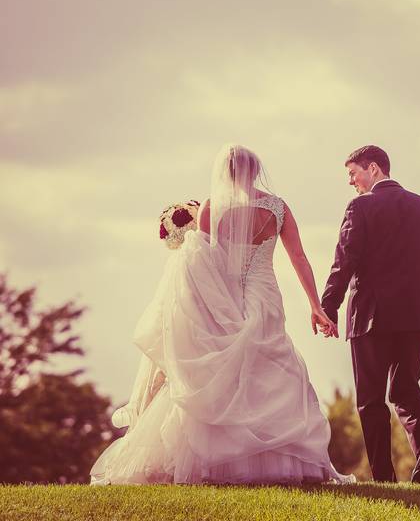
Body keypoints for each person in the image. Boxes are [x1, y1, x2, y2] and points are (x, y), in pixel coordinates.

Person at [90, 144, 353, 485]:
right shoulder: (278, 207)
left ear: (224, 173)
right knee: (271, 366)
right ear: (256, 171)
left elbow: (200, 264)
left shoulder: (213, 209)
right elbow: (299, 257)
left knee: (222, 373)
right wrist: (316, 307)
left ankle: (221, 462)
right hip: (265, 293)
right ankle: (274, 462)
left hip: (223, 296)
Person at [320, 145, 420, 483]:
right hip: (415, 316)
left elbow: (345, 260)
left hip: (371, 316)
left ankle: (384, 477)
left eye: (353, 174)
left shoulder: (360, 206)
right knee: (406, 390)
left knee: (370, 399)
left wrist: (328, 307)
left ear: (373, 169)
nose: (351, 182)